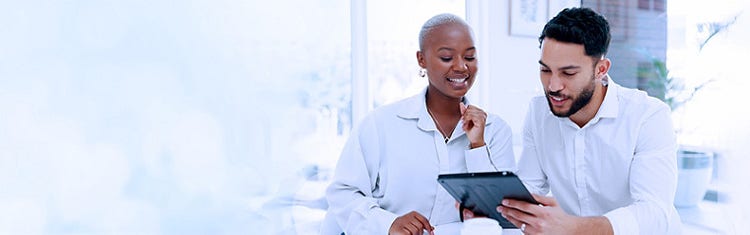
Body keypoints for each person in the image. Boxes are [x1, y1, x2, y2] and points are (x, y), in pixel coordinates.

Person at [462, 7, 681, 234]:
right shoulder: (539, 112)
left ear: (601, 70)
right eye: (546, 70)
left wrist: (575, 228)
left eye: (568, 73)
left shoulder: (648, 116)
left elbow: (654, 213)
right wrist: (489, 207)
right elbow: (528, 190)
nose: (553, 86)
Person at [323, 13, 516, 235]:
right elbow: (343, 193)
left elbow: (505, 212)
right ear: (421, 59)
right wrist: (388, 224)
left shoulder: (495, 130)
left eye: (470, 57)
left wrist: (477, 146)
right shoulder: (380, 125)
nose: (462, 67)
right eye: (446, 58)